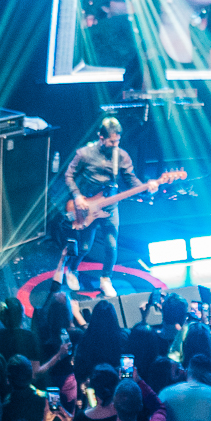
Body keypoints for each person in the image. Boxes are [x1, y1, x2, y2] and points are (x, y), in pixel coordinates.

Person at [59, 117, 141, 297]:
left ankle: (106, 279)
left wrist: (146, 188)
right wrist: (77, 196)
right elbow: (69, 175)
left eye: (117, 141)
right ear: (101, 137)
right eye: (112, 141)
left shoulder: (121, 156)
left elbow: (131, 179)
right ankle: (72, 270)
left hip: (110, 208)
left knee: (111, 246)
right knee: (85, 247)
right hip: (89, 208)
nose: (115, 145)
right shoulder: (84, 154)